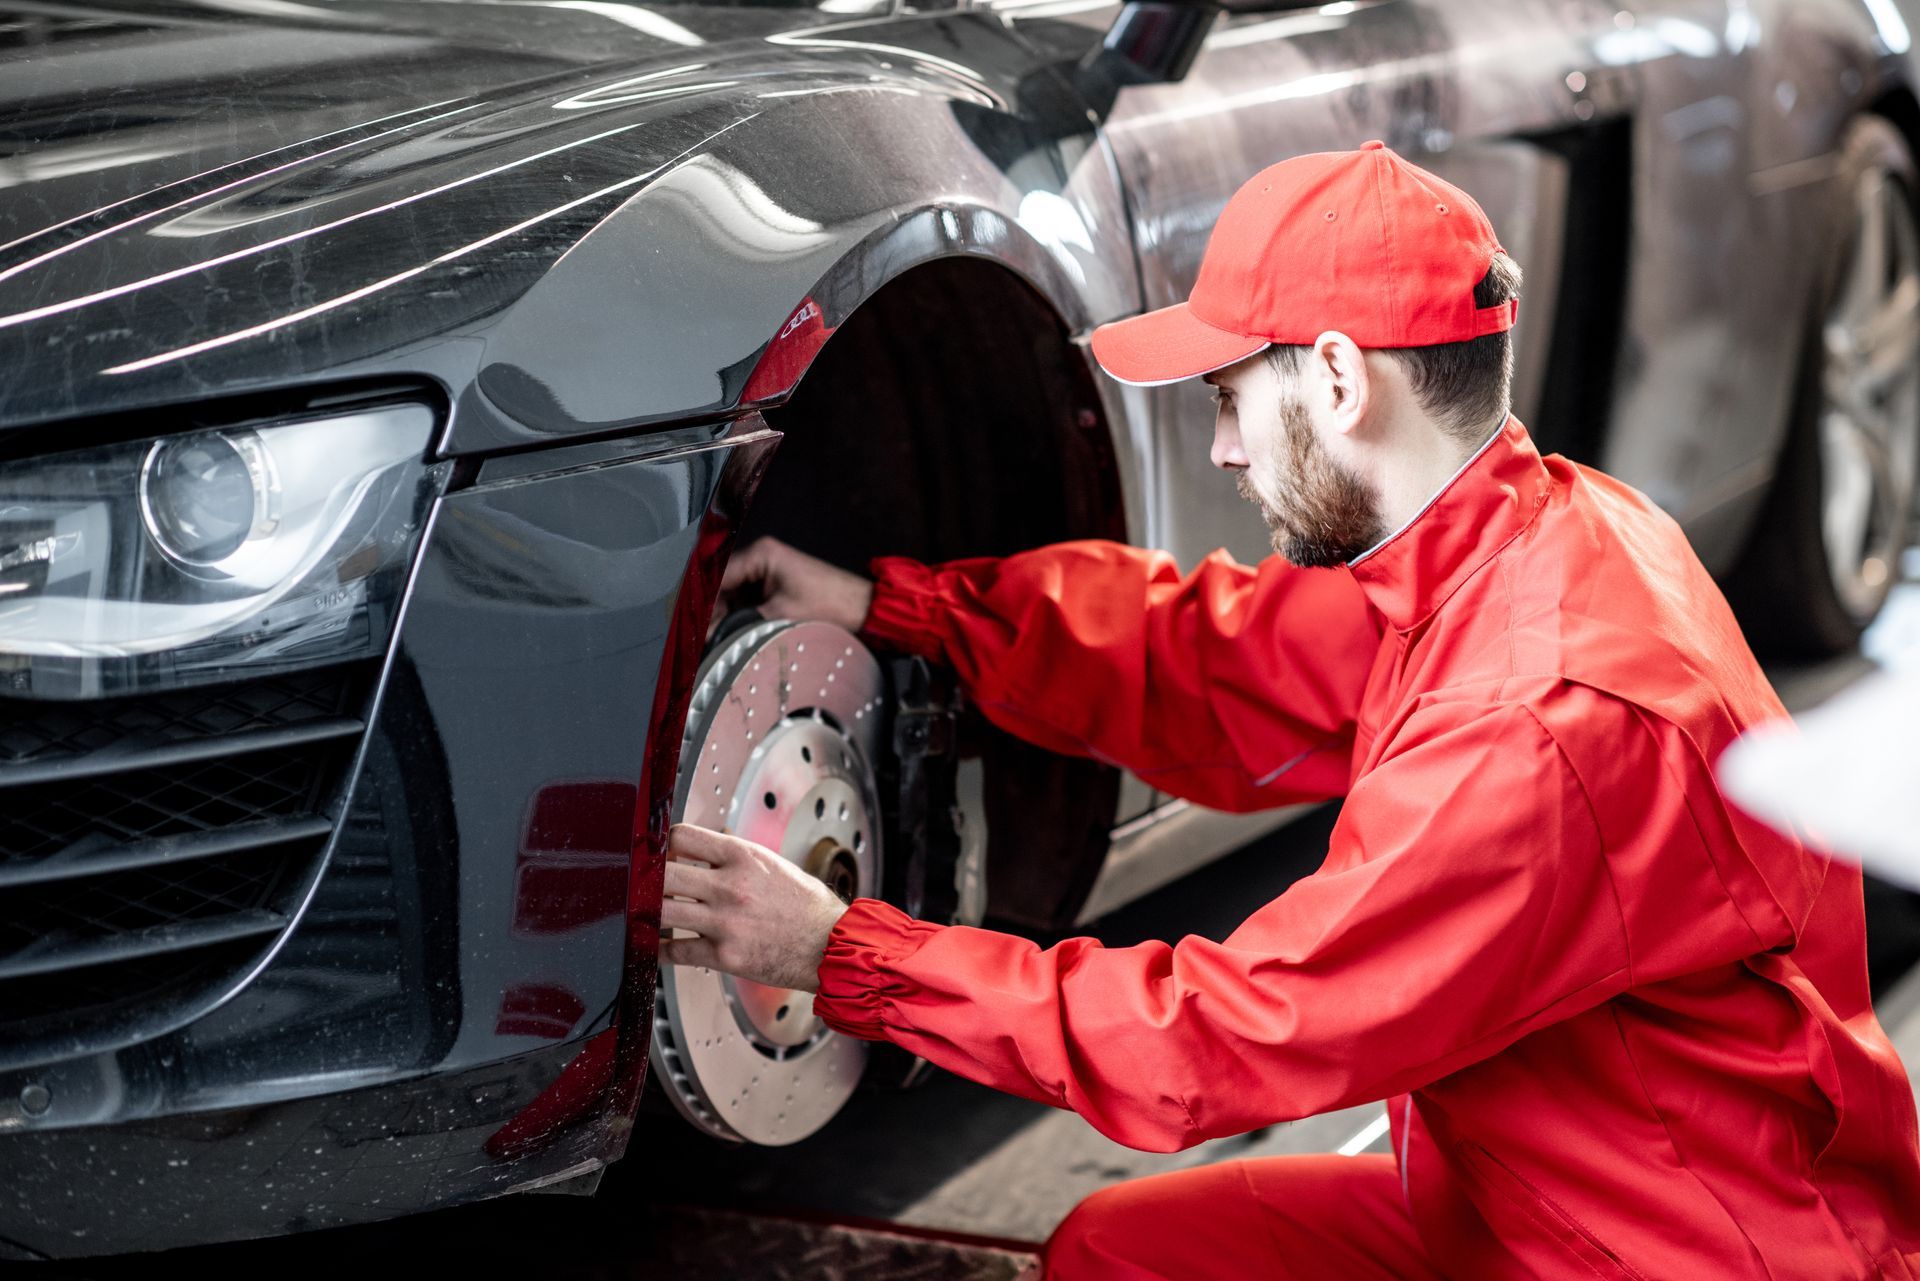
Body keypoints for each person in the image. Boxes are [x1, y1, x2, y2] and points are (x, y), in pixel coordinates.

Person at [659, 142, 1920, 1279]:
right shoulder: (1523, 539)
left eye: (1226, 398)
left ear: (1332, 377)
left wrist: (847, 959)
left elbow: (1217, 1042)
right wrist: (902, 604)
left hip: (1677, 1257)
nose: (1221, 450)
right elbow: (1214, 658)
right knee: (1120, 1253)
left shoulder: (1542, 719)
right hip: (1544, 1196)